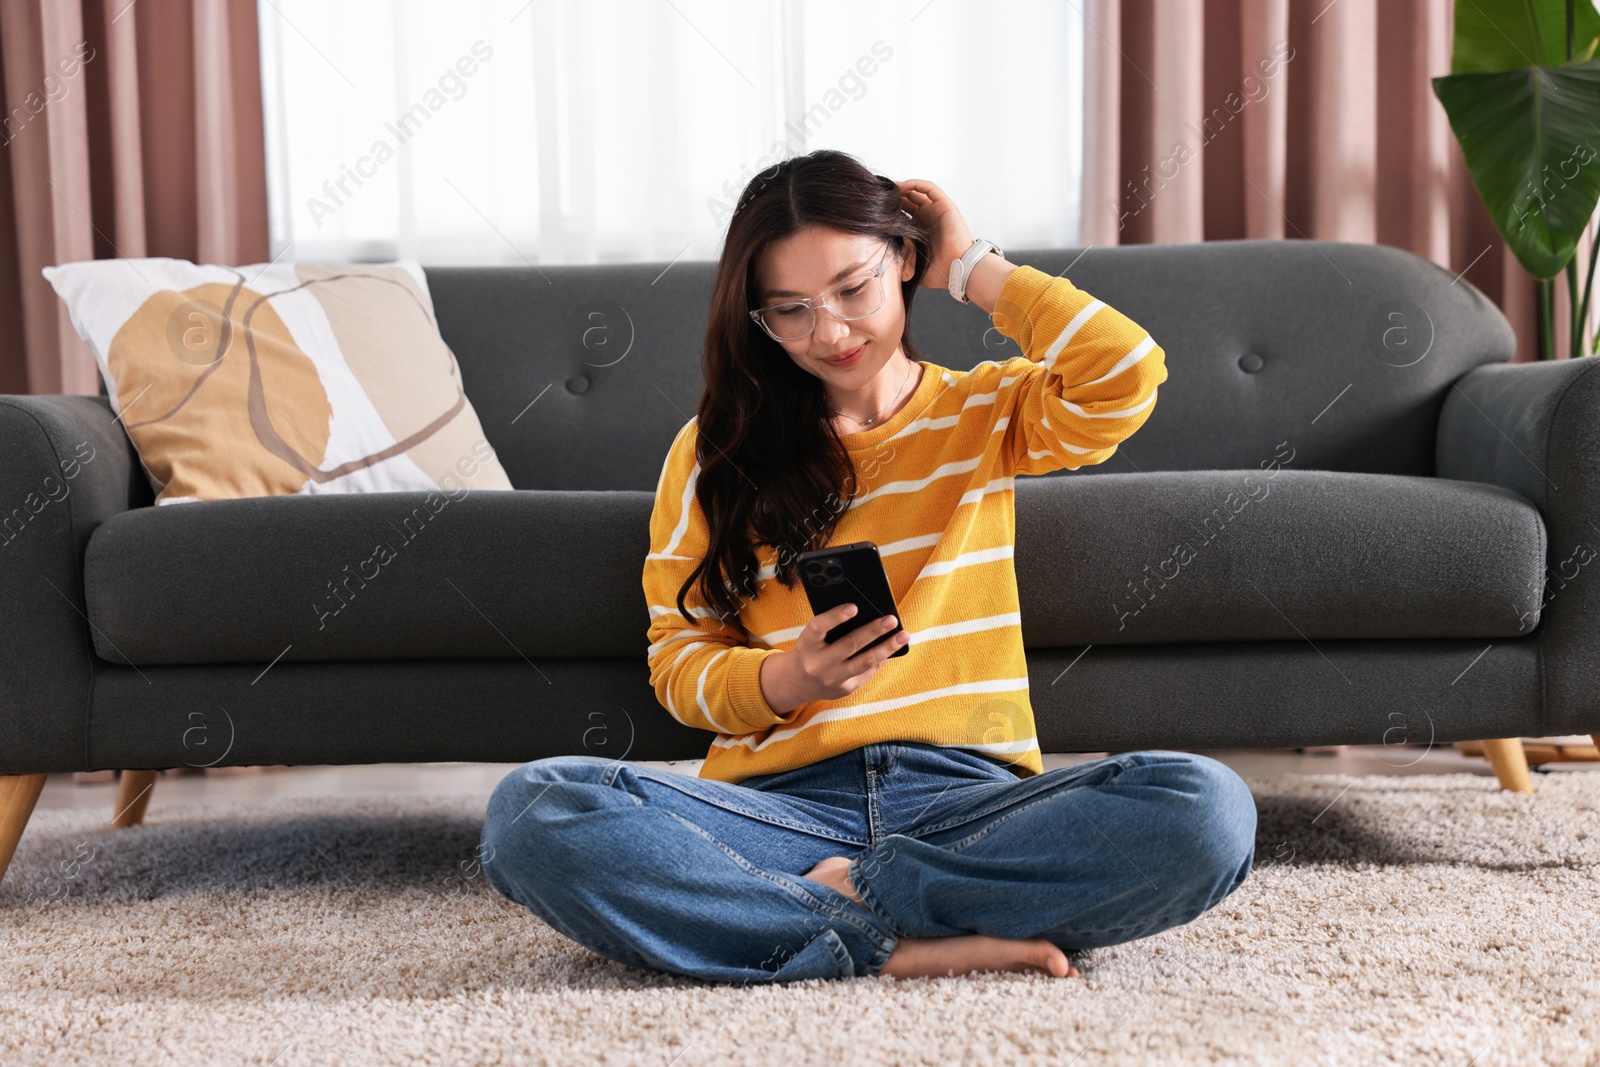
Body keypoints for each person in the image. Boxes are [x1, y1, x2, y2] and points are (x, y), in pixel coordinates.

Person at [481, 149, 1257, 984]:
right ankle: (894, 940)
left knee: (1206, 809)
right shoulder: (712, 456)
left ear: (905, 261)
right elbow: (677, 659)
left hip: (968, 805)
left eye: (854, 290)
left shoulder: (987, 411)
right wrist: (789, 678)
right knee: (535, 810)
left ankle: (839, 906)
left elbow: (1126, 374)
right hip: (781, 807)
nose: (831, 332)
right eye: (791, 311)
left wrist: (974, 266)